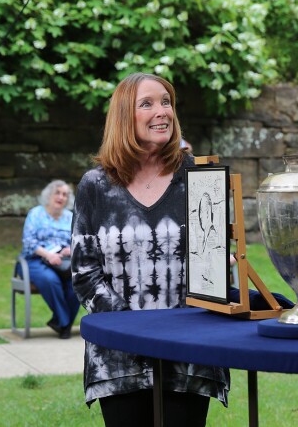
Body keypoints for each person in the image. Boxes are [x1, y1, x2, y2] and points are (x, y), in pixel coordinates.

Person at [71, 72, 229, 427]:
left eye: (166, 102)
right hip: (118, 360)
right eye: (147, 104)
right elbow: (84, 275)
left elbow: (215, 269)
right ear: (125, 116)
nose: (162, 112)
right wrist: (135, 329)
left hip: (189, 354)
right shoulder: (95, 185)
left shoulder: (202, 178)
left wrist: (176, 329)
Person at [21, 179, 80, 339]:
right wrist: (48, 255)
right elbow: (29, 241)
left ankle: (59, 322)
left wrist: (71, 249)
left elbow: (78, 240)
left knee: (78, 282)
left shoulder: (70, 217)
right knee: (50, 279)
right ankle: (65, 324)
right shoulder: (36, 214)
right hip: (35, 260)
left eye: (65, 194)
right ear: (49, 195)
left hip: (63, 261)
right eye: (58, 193)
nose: (61, 197)